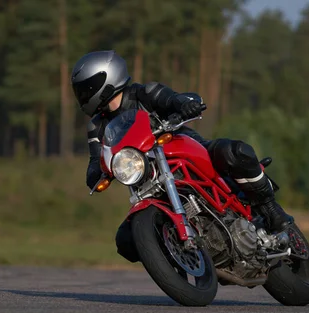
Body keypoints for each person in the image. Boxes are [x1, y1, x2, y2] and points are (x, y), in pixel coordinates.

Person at [70, 50, 294, 263]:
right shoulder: (96, 127)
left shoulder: (144, 93)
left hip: (185, 150)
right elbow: (94, 162)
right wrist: (98, 174)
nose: (83, 95)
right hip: (148, 180)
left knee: (233, 151)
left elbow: (171, 100)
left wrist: (185, 105)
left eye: (86, 88)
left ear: (106, 78)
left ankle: (270, 209)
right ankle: (178, 259)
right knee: (126, 241)